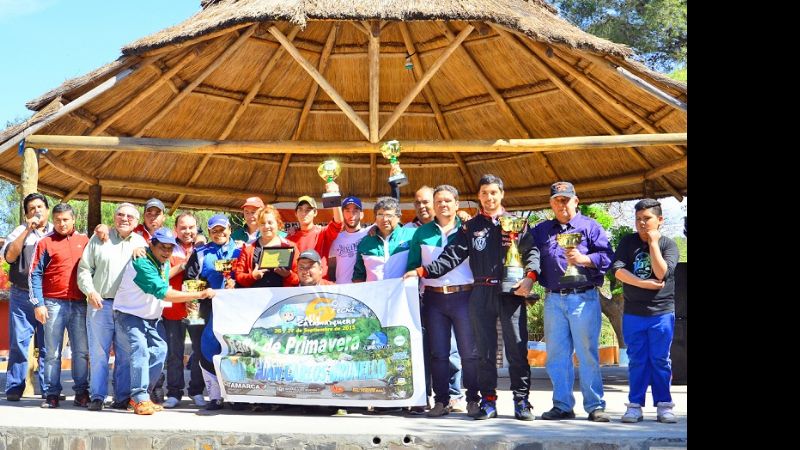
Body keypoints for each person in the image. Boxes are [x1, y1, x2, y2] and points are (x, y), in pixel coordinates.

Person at [406, 174, 537, 421]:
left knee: (517, 349)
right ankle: (488, 401)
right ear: (479, 196)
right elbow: (451, 256)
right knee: (484, 352)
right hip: (480, 293)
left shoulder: (518, 224)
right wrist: (423, 271)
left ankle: (522, 401)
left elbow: (532, 252)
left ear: (502, 195)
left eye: (494, 193)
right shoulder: (471, 227)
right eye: (485, 193)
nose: (489, 198)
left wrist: (530, 278)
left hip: (511, 293)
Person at [520, 181, 614, 422]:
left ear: (576, 200)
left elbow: (607, 257)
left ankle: (595, 406)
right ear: (551, 203)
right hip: (553, 299)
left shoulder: (590, 227)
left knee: (587, 354)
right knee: (557, 355)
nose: (561, 204)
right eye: (556, 200)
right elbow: (527, 254)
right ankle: (562, 405)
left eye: (565, 199)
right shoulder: (541, 230)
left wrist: (583, 258)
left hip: (584, 297)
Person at [113, 228, 215, 415]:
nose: (166, 251)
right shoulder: (142, 263)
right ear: (151, 245)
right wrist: (199, 294)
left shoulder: (162, 261)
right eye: (162, 247)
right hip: (129, 315)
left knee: (160, 351)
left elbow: (164, 276)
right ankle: (139, 398)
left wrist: (185, 264)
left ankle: (140, 396)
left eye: (170, 248)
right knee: (140, 352)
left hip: (150, 317)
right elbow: (164, 292)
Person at [404, 185, 480, 417]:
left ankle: (473, 400)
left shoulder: (469, 230)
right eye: (439, 202)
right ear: (433, 206)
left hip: (464, 296)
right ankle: (441, 400)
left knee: (469, 353)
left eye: (448, 201)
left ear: (457, 204)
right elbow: (412, 266)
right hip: (434, 299)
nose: (443, 205)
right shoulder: (421, 233)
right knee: (438, 354)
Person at [611, 199, 680, 424]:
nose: (642, 223)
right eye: (638, 219)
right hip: (633, 313)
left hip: (661, 313)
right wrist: (643, 284)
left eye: (647, 218)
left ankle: (664, 405)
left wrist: (653, 243)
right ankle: (635, 406)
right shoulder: (627, 242)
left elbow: (661, 273)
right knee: (637, 360)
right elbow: (618, 272)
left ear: (660, 220)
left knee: (660, 360)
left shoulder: (669, 245)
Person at [77, 203, 147, 411]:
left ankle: (122, 397)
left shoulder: (141, 242)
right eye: (120, 215)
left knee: (125, 355)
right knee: (99, 354)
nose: (124, 219)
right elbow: (84, 269)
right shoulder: (100, 239)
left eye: (130, 217)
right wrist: (90, 291)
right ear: (114, 217)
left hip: (128, 307)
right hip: (100, 304)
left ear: (136, 222)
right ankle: (97, 396)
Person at [30, 203, 91, 408]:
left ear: (73, 220)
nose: (61, 223)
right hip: (53, 303)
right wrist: (38, 303)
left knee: (81, 351)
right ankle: (51, 394)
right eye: (57, 220)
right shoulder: (45, 242)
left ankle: (82, 392)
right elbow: (35, 273)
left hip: (80, 304)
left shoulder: (85, 241)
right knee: (52, 352)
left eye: (65, 219)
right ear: (53, 220)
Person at [185, 214, 241, 411]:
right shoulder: (200, 253)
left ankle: (236, 395)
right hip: (207, 308)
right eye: (214, 230)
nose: (219, 233)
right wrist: (199, 293)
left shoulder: (241, 250)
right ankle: (215, 396)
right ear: (209, 233)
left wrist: (238, 283)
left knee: (235, 350)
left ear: (230, 229)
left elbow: (248, 276)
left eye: (222, 229)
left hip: (236, 309)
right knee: (206, 349)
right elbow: (190, 278)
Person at [2, 193, 52, 401]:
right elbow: (10, 256)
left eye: (40, 207)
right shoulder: (19, 231)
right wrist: (26, 231)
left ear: (47, 210)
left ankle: (50, 389)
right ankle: (14, 387)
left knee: (49, 345)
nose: (36, 211)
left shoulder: (56, 231)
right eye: (31, 208)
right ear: (26, 214)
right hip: (22, 295)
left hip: (49, 297)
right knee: (19, 344)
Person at [159, 212, 206, 409]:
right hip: (173, 309)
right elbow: (162, 275)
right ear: (176, 229)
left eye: (191, 227)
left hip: (197, 309)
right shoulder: (168, 247)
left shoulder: (204, 247)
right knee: (174, 354)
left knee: (198, 352)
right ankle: (174, 392)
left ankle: (196, 391)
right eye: (183, 227)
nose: (187, 231)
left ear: (197, 229)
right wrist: (184, 264)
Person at [352, 197, 416, 283]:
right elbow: (358, 276)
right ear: (375, 217)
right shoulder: (365, 243)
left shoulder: (412, 236)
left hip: (402, 294)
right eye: (380, 215)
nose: (384, 219)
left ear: (398, 217)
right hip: (374, 295)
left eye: (389, 215)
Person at [286, 196, 342, 280]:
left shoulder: (322, 232)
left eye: (308, 210)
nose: (303, 213)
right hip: (297, 288)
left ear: (315, 212)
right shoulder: (289, 239)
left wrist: (333, 195)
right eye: (300, 209)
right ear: (296, 213)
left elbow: (338, 222)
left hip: (320, 287)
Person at [327, 196, 369, 284]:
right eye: (347, 211)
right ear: (342, 214)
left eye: (355, 211)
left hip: (362, 289)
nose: (351, 215)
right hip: (341, 290)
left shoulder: (368, 234)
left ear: (361, 214)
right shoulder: (336, 238)